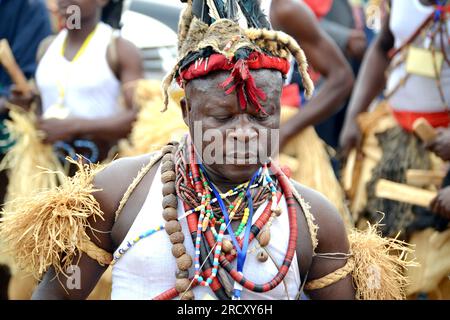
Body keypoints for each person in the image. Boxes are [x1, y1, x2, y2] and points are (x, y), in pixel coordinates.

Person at [0, 0, 411, 300]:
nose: (245, 133)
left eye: (261, 116)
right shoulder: (119, 192)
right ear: (186, 111)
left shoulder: (315, 219)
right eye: (222, 117)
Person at [339, 0, 449, 298]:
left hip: (440, 156)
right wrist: (353, 117)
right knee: (372, 237)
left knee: (428, 265)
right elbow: (382, 46)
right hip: (391, 133)